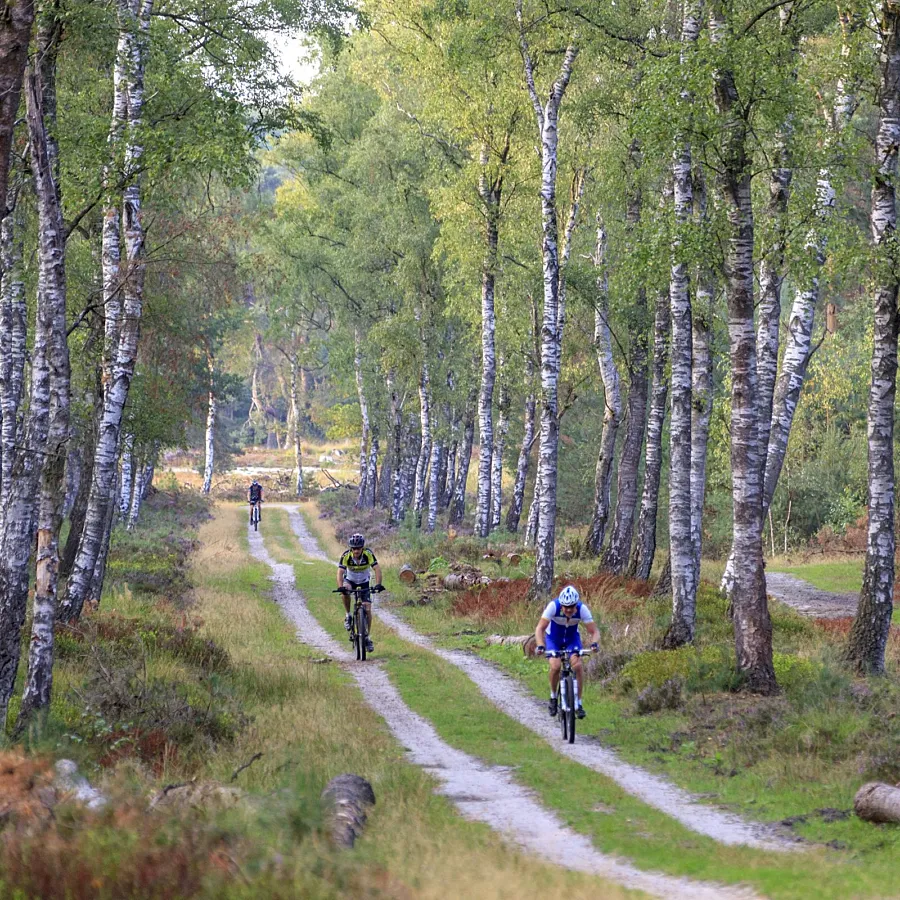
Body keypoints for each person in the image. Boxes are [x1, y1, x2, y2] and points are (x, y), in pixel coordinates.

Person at [534, 584, 600, 719]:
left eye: (572, 607)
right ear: (561, 605)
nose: (569, 610)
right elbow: (539, 628)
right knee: (556, 666)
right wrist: (540, 645)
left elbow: (594, 631)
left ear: (576, 605)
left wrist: (594, 643)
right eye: (566, 607)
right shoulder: (553, 606)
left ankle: (578, 703)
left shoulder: (582, 609)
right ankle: (553, 697)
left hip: (571, 639)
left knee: (577, 665)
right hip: (554, 639)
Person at [337, 533, 384, 653]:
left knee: (367, 609)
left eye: (358, 548)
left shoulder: (368, 554)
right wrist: (340, 586)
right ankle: (348, 615)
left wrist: (378, 584)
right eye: (354, 548)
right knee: (345, 591)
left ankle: (367, 636)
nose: (356, 551)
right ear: (350, 548)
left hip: (364, 582)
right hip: (350, 580)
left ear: (362, 548)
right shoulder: (346, 556)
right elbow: (340, 573)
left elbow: (377, 569)